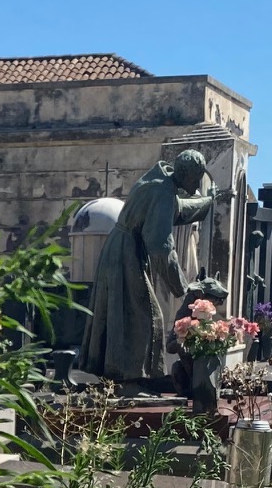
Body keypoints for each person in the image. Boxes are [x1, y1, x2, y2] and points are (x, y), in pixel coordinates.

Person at [81, 150, 220, 385]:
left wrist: (207, 201)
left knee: (124, 312)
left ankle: (123, 377)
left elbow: (177, 209)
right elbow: (160, 246)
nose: (197, 185)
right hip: (126, 254)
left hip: (123, 249)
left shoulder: (162, 179)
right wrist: (183, 287)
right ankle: (131, 381)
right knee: (145, 315)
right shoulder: (162, 191)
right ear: (185, 174)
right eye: (196, 179)